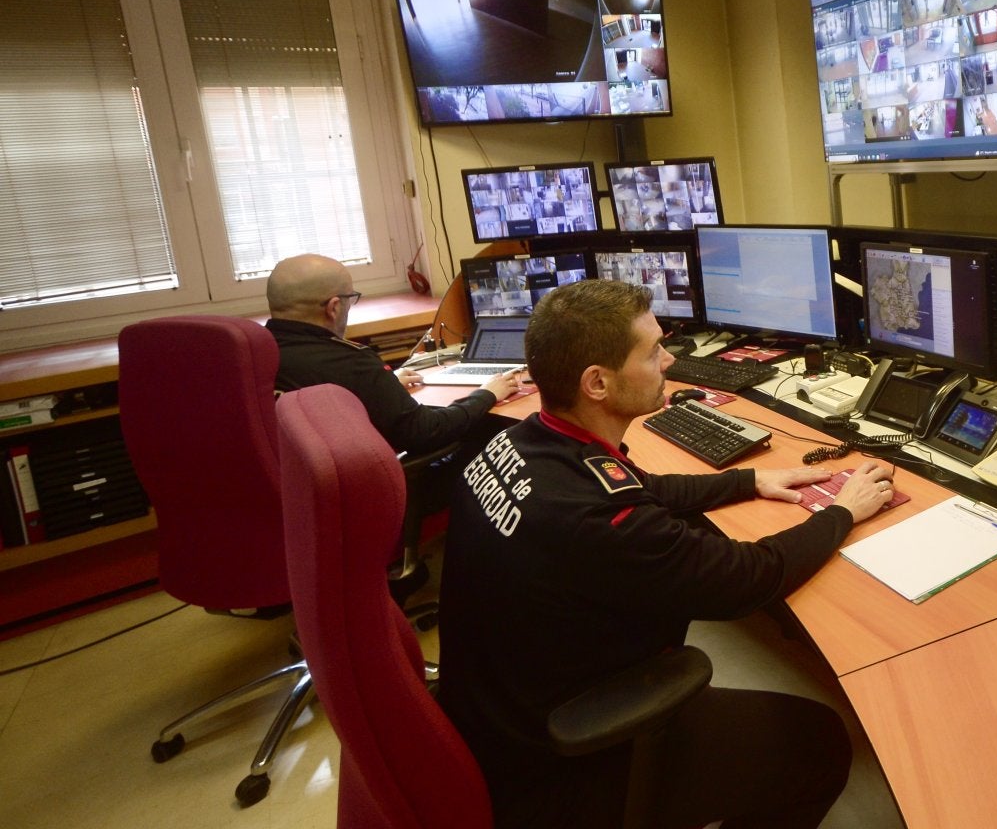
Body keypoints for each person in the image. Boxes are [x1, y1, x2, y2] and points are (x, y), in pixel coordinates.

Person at [439, 280, 895, 829]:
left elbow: (639, 485)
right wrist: (842, 511)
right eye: (653, 351)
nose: (670, 359)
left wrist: (750, 479)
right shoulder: (604, 524)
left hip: (496, 712)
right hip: (561, 759)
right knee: (818, 742)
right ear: (598, 383)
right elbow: (749, 578)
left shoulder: (523, 441)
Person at [265, 253, 523, 457]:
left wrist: (382, 385)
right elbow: (426, 432)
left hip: (299, 486)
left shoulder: (258, 353)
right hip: (382, 487)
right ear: (333, 307)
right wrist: (487, 394)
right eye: (349, 299)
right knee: (491, 434)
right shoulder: (350, 362)